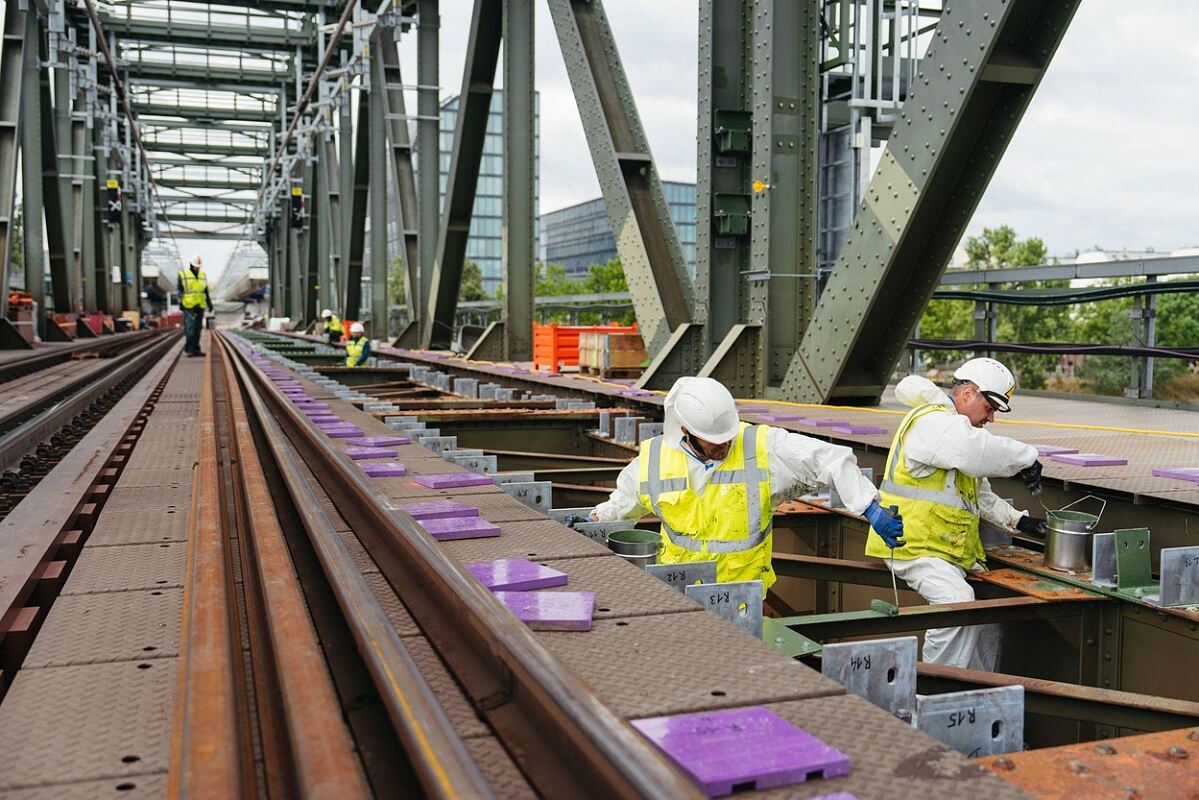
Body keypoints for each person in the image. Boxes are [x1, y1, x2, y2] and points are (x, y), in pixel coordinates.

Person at [591, 376, 904, 590]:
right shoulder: (653, 461)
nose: (725, 446)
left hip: (743, 596)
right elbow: (622, 504)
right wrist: (597, 519)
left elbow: (829, 459)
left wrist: (868, 506)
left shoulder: (762, 446)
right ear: (686, 431)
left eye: (728, 437)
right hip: (679, 592)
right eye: (715, 441)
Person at [864, 357, 1046, 671]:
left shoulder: (952, 431)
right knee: (957, 602)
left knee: (986, 620)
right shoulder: (933, 423)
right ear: (967, 394)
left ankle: (980, 690)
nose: (991, 418)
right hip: (911, 545)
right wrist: (1026, 459)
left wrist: (1019, 521)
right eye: (989, 407)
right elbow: (974, 451)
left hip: (941, 549)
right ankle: (936, 690)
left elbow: (978, 495)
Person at [177, 256, 212, 357]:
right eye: (196, 266)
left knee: (197, 329)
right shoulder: (183, 274)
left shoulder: (202, 275)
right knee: (190, 328)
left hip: (200, 306)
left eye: (199, 266)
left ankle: (196, 349)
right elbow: (179, 290)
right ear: (191, 265)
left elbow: (205, 291)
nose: (198, 268)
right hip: (189, 306)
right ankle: (190, 349)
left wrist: (210, 304)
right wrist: (180, 302)